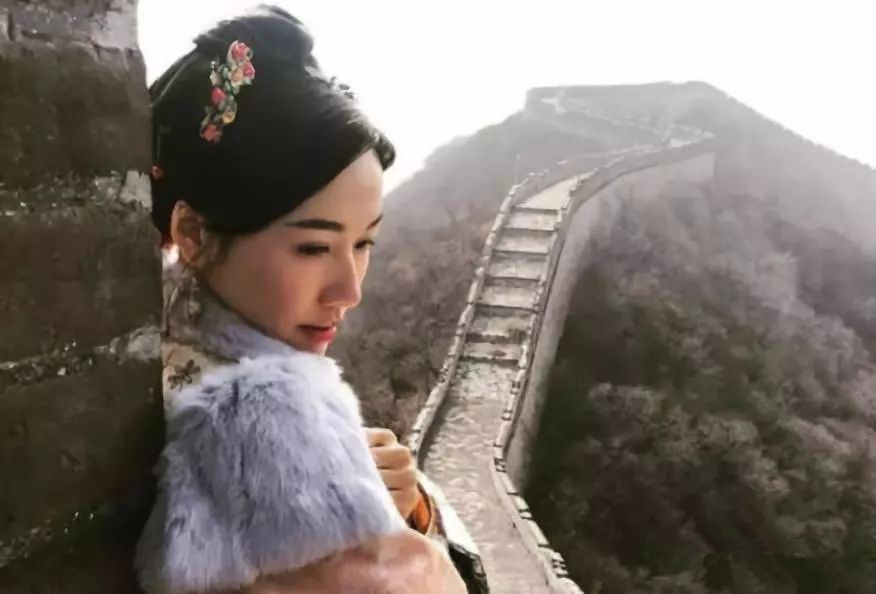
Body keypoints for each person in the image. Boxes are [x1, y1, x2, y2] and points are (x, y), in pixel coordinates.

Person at [133, 5, 489, 593]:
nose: (350, 290)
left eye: (364, 242)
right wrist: (403, 524)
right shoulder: (261, 414)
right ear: (193, 234)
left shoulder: (151, 356)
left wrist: (404, 505)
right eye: (314, 248)